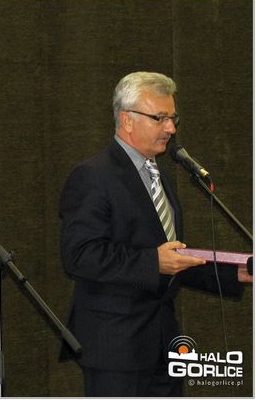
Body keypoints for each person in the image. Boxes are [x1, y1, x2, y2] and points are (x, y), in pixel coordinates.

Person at [59, 71, 250, 397]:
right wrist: (153, 262)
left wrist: (235, 273)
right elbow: (79, 255)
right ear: (127, 119)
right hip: (115, 346)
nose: (171, 128)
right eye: (160, 118)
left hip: (164, 344)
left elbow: (173, 258)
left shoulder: (160, 176)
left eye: (173, 118)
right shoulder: (93, 176)